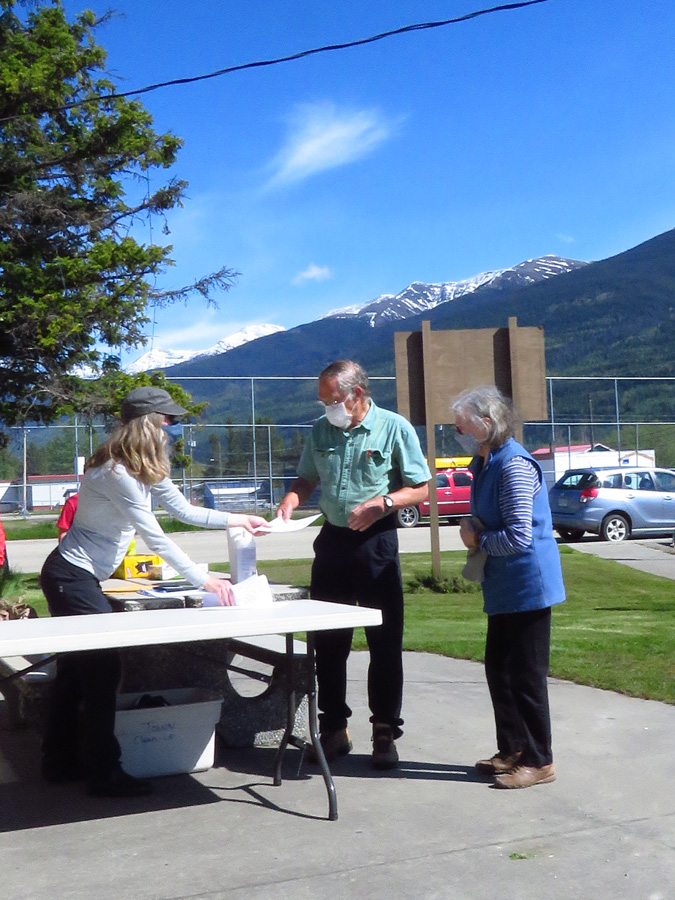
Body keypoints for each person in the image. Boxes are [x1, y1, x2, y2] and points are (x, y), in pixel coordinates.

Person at [40, 386, 269, 797]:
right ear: (150, 422)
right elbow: (156, 536)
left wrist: (240, 518)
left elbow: (184, 511)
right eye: (170, 420)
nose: (173, 429)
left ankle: (58, 761)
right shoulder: (115, 472)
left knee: (77, 673)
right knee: (102, 670)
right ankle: (103, 772)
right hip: (69, 577)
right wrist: (205, 581)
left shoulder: (140, 469)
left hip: (79, 577)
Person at [277, 360, 430, 769]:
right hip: (333, 542)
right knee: (328, 641)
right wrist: (294, 497)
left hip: (376, 542)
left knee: (384, 641)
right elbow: (307, 477)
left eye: (333, 399)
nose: (327, 406)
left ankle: (384, 731)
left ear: (356, 395)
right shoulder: (321, 429)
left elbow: (420, 488)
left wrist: (384, 503)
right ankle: (333, 730)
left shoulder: (394, 428)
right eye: (323, 399)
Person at [453, 385, 566, 789]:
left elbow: (519, 535)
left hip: (527, 584)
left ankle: (540, 760)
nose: (458, 433)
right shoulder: (486, 461)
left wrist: (477, 540)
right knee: (499, 670)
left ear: (487, 423)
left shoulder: (514, 465)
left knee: (526, 675)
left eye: (463, 426)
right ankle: (513, 748)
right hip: (503, 585)